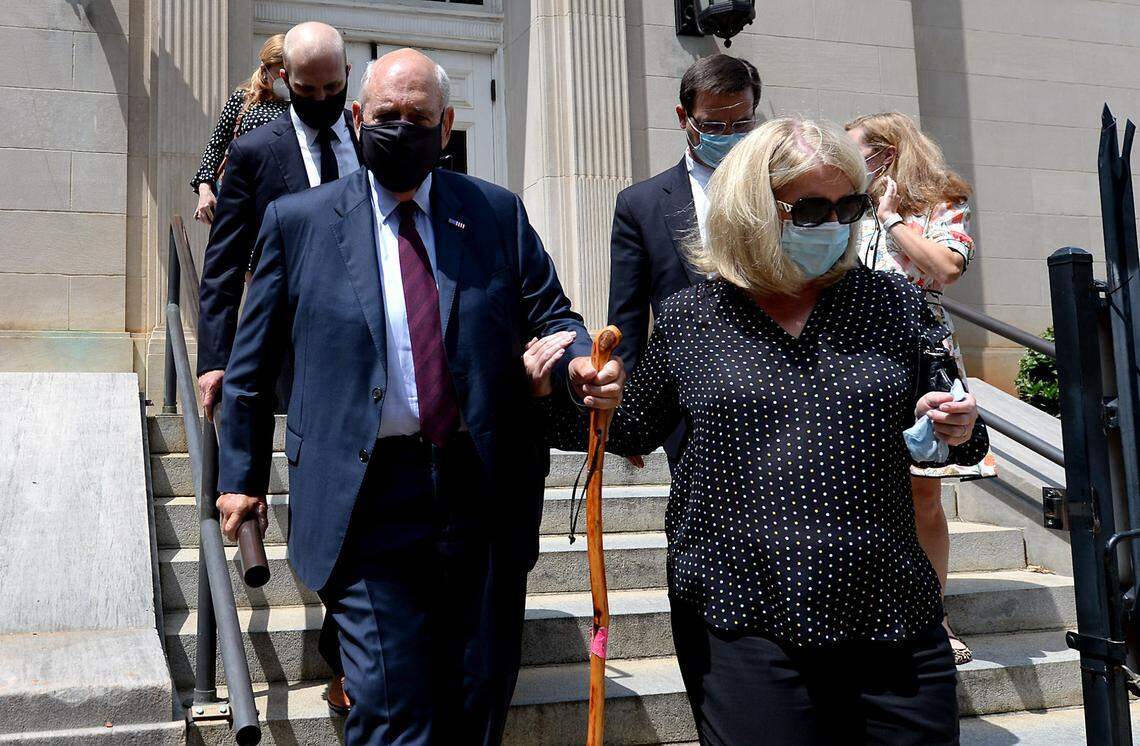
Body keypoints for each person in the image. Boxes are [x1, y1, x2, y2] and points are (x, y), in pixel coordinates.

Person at [211, 48, 620, 745]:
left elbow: (554, 316)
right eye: (387, 116)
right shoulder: (298, 222)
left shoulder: (495, 213)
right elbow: (250, 371)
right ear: (357, 117)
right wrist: (240, 479)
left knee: (475, 705)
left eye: (419, 118)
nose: (402, 129)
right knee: (394, 714)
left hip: (480, 492)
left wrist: (581, 364)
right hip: (364, 497)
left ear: (448, 125)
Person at [540, 118, 988, 745]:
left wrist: (959, 425)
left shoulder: (896, 305)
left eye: (848, 205)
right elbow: (634, 426)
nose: (834, 224)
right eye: (810, 208)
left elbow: (964, 433)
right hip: (740, 614)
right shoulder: (692, 317)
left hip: (889, 616)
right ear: (752, 208)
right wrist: (564, 393)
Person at [195, 20, 362, 715]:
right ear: (285, 80)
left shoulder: (370, 137)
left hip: (369, 351)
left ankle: (353, 652)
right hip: (291, 344)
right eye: (310, 87)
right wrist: (213, 361)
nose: (324, 98)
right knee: (323, 485)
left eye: (335, 86)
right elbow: (223, 261)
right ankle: (346, 656)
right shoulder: (257, 151)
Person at [847, 111, 998, 666]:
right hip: (852, 357)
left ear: (886, 153)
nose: (849, 161)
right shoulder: (842, 204)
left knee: (924, 493)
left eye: (856, 151)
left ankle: (932, 615)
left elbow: (946, 268)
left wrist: (891, 220)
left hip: (918, 355)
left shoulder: (940, 201)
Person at [190, 34, 289, 226]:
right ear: (265, 68)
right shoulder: (243, 99)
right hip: (241, 191)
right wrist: (205, 189)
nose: (283, 80)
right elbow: (216, 146)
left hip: (279, 194)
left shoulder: (297, 105)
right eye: (279, 73)